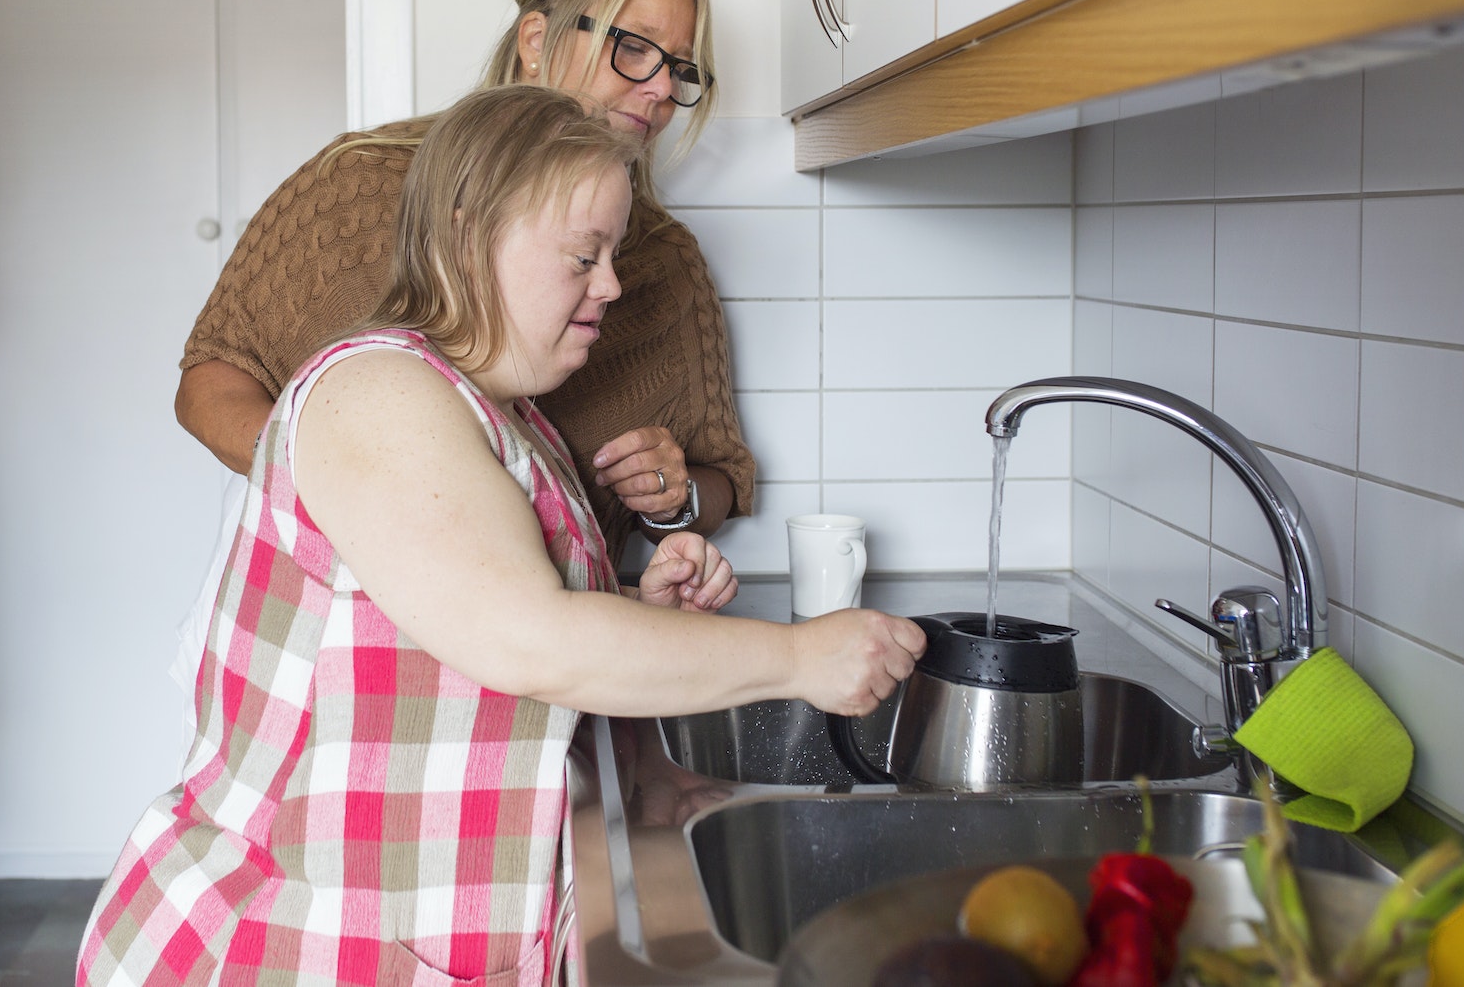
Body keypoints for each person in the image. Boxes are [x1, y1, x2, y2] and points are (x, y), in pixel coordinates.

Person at [78, 89, 925, 987]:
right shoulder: (376, 392)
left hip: (398, 936)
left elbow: (473, 635)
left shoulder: (505, 418)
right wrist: (799, 658)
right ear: (470, 232)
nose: (612, 283)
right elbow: (528, 638)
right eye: (583, 255)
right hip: (283, 940)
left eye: (614, 254)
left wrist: (642, 613)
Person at [172, 0, 756, 678]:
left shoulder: (663, 269)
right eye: (633, 46)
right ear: (537, 38)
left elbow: (721, 479)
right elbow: (210, 383)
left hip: (531, 681)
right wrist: (369, 487)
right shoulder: (356, 186)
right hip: (299, 654)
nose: (657, 89)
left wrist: (672, 499)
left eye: (677, 67)